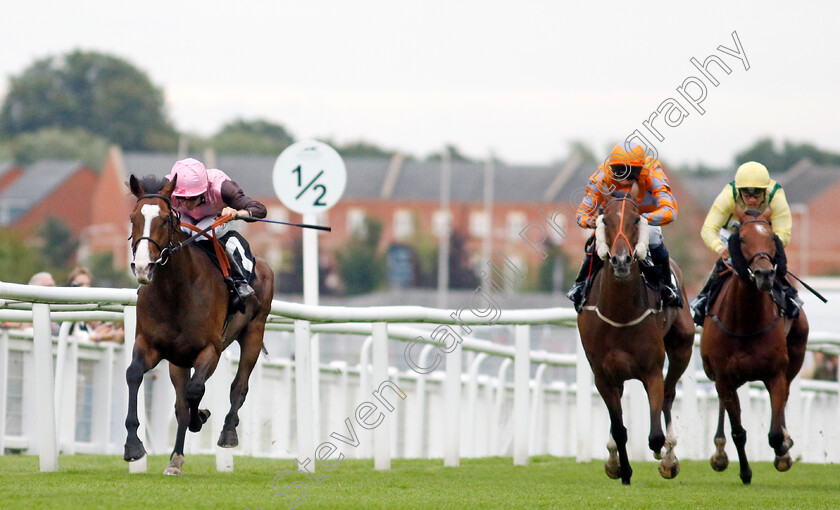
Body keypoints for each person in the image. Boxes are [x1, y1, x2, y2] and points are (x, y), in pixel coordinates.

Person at [566, 143, 681, 312]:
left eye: (630, 173)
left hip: (642, 216)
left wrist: (639, 219)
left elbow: (670, 211)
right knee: (600, 242)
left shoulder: (653, 172)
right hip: (615, 218)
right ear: (611, 167)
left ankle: (668, 286)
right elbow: (582, 212)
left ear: (640, 170)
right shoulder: (601, 177)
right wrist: (587, 221)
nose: (624, 180)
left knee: (654, 236)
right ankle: (581, 284)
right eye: (619, 171)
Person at [691, 161, 802, 326]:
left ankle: (789, 295)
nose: (751, 199)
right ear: (738, 190)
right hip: (732, 234)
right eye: (746, 194)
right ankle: (704, 299)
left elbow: (783, 234)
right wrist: (719, 248)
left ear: (765, 191)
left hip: (763, 236)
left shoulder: (776, 196)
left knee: (771, 265)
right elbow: (708, 229)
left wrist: (766, 248)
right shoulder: (727, 196)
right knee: (725, 263)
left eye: (757, 194)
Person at [165, 158, 267, 310]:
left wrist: (237, 213)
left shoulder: (223, 188)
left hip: (214, 217)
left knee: (198, 235)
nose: (186, 204)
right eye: (181, 198)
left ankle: (239, 281)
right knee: (178, 233)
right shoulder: (166, 185)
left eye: (192, 198)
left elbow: (260, 209)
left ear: (204, 190)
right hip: (184, 217)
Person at [66, 266, 124, 343]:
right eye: (80, 284)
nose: (85, 287)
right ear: (72, 286)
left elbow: (117, 334)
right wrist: (99, 336)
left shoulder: (96, 305)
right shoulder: (66, 309)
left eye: (87, 284)